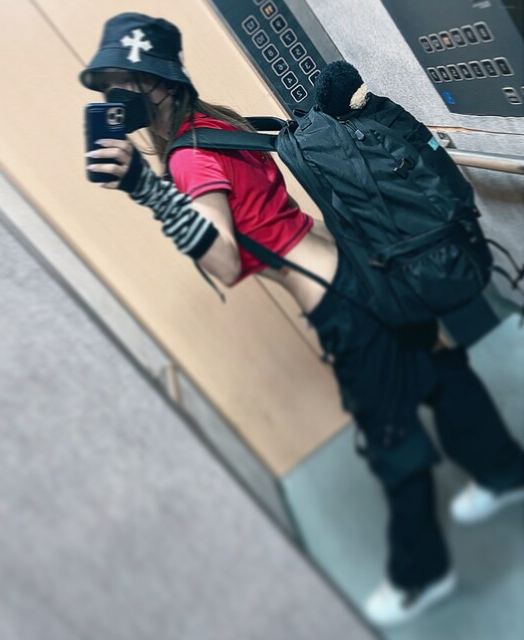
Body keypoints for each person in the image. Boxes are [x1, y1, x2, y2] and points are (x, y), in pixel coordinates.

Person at [80, 13, 524, 627]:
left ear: (159, 83)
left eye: (125, 80)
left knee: (390, 436)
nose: (115, 93)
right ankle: (502, 470)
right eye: (107, 83)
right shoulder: (218, 124)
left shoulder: (187, 158)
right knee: (436, 365)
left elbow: (225, 262)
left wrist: (144, 188)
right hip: (357, 265)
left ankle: (422, 575)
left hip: (337, 299)